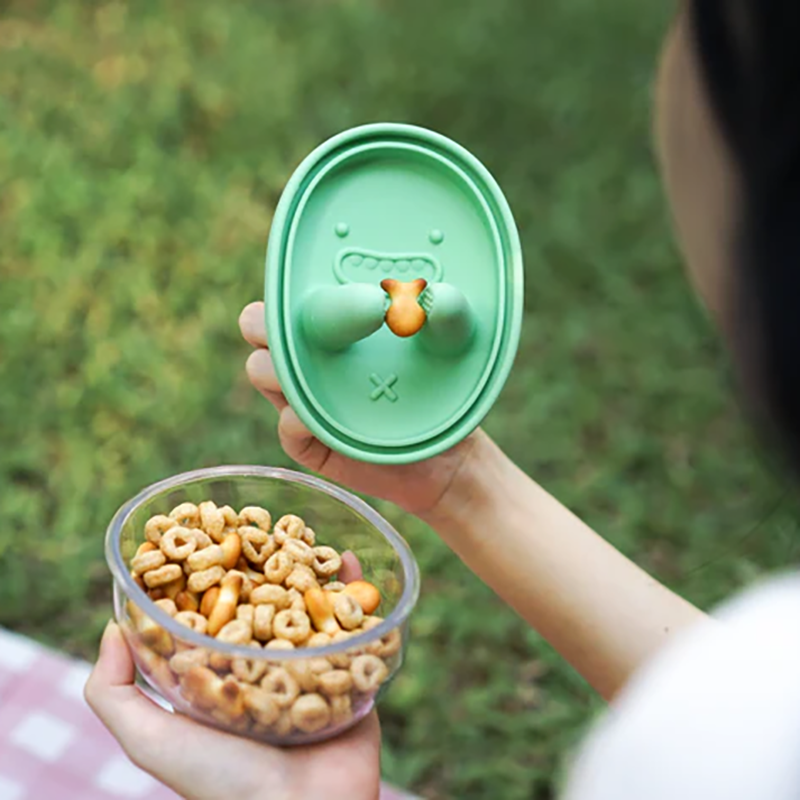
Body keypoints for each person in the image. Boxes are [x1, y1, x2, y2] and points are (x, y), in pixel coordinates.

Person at [86, 2, 800, 798]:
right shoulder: (757, 704)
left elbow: (729, 713)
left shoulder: (722, 744)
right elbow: (722, 689)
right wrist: (461, 485)